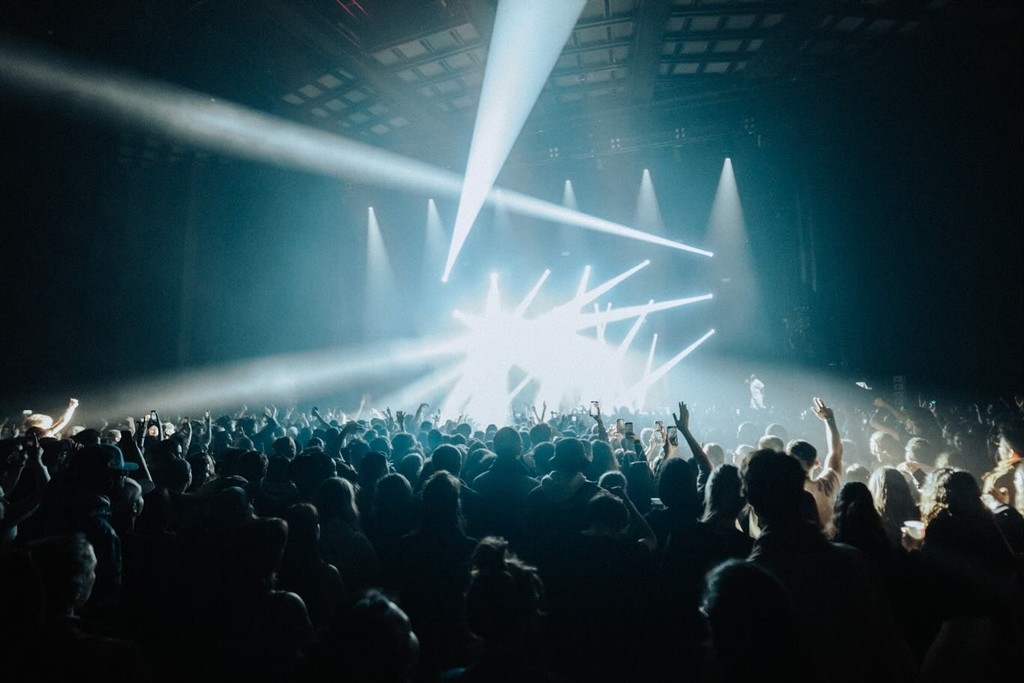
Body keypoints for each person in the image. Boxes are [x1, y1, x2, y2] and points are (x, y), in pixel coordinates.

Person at [787, 396, 843, 534]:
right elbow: (836, 453)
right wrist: (829, 420)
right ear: (816, 463)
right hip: (828, 549)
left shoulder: (781, 492)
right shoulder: (827, 486)